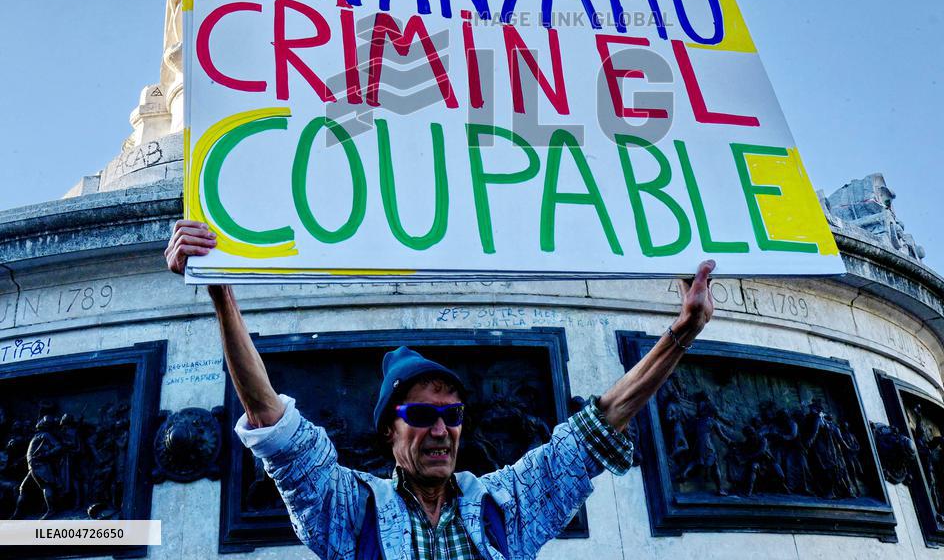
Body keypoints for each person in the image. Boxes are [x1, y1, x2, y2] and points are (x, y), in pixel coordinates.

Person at [166, 220, 716, 559]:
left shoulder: (504, 508)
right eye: (422, 414)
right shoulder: (351, 513)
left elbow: (597, 425)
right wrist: (222, 295)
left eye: (452, 416)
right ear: (390, 430)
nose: (441, 431)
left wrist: (681, 334)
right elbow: (271, 421)